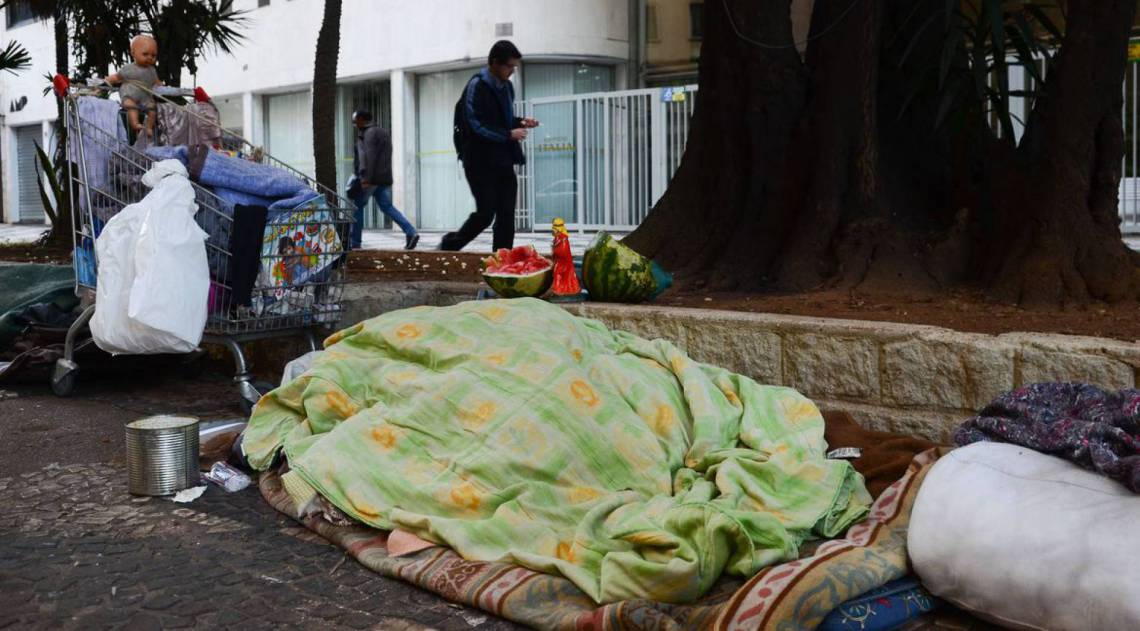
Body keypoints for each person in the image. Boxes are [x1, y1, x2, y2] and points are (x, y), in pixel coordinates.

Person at [440, 40, 538, 252]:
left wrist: (520, 121)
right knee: (486, 213)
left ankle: (503, 260)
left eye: (514, 66)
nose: (512, 71)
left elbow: (502, 120)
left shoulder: (507, 87)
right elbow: (475, 123)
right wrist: (508, 134)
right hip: (478, 161)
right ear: (495, 63)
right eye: (509, 66)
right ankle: (448, 246)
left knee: (506, 213)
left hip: (502, 159)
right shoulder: (477, 85)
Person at [348, 110, 419, 250]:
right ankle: (411, 231)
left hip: (370, 179)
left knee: (357, 207)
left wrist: (365, 177)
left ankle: (355, 242)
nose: (355, 124)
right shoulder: (383, 132)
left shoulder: (367, 134)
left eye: (356, 121)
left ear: (362, 119)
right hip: (383, 179)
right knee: (387, 207)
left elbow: (368, 157)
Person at [107, 35, 162, 138]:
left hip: (145, 97)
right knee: (132, 107)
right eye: (145, 54)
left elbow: (156, 81)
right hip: (129, 95)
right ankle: (135, 124)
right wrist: (107, 80)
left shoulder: (152, 70)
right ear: (133, 53)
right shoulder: (128, 69)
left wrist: (160, 84)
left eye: (153, 55)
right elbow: (117, 77)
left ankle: (149, 128)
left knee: (152, 108)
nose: (149, 58)